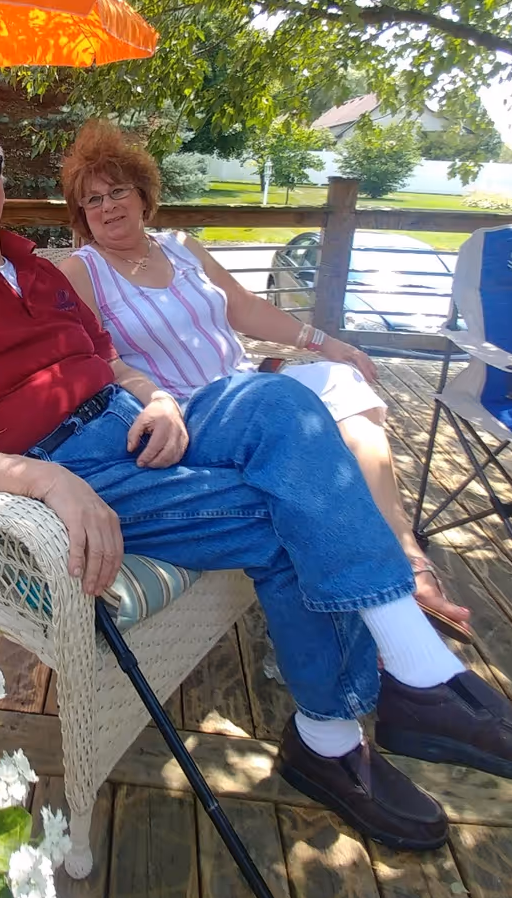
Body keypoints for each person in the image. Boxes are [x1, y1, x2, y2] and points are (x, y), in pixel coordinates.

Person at [0, 122, 512, 854]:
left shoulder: (39, 268)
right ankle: (344, 729)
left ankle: (411, 679)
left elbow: (109, 360)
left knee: (288, 406)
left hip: (143, 422)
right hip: (72, 466)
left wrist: (154, 397)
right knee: (288, 512)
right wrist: (44, 478)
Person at [58, 120, 471, 641]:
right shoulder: (83, 271)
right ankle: (390, 598)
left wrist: (324, 342)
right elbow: (102, 359)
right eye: (92, 200)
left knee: (347, 391)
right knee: (317, 436)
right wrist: (155, 398)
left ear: (143, 195)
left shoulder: (182, 246)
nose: (108, 206)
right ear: (82, 216)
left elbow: (245, 308)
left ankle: (406, 556)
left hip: (249, 388)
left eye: (117, 190)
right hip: (193, 415)